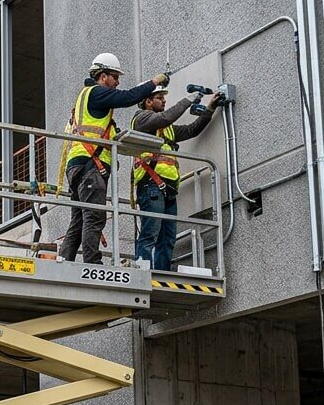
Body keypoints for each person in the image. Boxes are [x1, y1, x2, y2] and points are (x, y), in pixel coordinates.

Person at [61, 53, 169, 265]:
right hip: (90, 165)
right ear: (103, 76)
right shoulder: (97, 93)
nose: (117, 82)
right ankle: (92, 263)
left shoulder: (84, 99)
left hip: (78, 164)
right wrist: (154, 82)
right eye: (115, 77)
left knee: (79, 219)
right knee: (95, 216)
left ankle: (64, 260)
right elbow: (128, 97)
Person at [129, 83, 223, 270]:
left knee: (167, 238)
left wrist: (210, 108)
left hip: (168, 188)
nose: (164, 100)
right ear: (148, 101)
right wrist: (188, 100)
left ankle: (162, 273)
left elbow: (191, 130)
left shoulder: (167, 128)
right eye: (159, 98)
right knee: (150, 233)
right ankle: (143, 273)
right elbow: (165, 117)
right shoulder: (142, 119)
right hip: (151, 185)